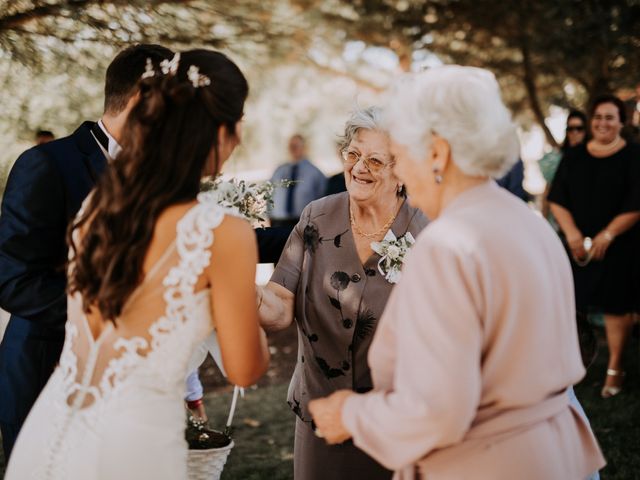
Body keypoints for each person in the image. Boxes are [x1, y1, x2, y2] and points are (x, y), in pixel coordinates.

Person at [309, 66, 605, 480]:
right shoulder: (530, 224)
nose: (402, 173)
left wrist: (350, 415)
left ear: (437, 154)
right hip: (558, 456)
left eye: (402, 154)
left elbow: (438, 412)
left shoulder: (447, 246)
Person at [5, 49, 270, 479]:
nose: (240, 135)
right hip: (133, 442)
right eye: (239, 121)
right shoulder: (224, 233)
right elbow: (244, 368)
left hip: (53, 427)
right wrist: (245, 303)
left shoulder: (99, 205)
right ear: (220, 130)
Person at [0, 44, 173, 459]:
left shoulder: (155, 174)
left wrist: (314, 225)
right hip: (46, 373)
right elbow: (13, 280)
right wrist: (109, 316)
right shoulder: (46, 164)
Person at [257, 106, 428, 480]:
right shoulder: (316, 217)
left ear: (401, 171)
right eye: (352, 154)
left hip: (396, 421)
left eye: (375, 160)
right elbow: (280, 304)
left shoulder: (428, 231)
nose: (358, 167)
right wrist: (243, 292)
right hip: (322, 414)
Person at [549, 94, 640, 398]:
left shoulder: (634, 155)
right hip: (577, 246)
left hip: (620, 244)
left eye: (610, 117)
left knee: (617, 307)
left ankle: (614, 368)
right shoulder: (574, 156)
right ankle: (570, 364)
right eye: (598, 117)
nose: (603, 123)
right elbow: (557, 199)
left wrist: (608, 235)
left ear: (621, 122)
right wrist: (574, 236)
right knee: (570, 305)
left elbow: (636, 201)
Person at [539, 109, 588, 224]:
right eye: (570, 129)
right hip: (557, 218)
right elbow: (548, 190)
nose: (574, 132)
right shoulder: (556, 158)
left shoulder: (591, 157)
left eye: (579, 128)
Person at [269, 134, 327, 228]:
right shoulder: (278, 171)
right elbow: (269, 194)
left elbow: (322, 198)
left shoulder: (315, 173)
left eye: (296, 146)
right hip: (278, 223)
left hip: (304, 223)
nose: (293, 149)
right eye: (291, 146)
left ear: (304, 148)